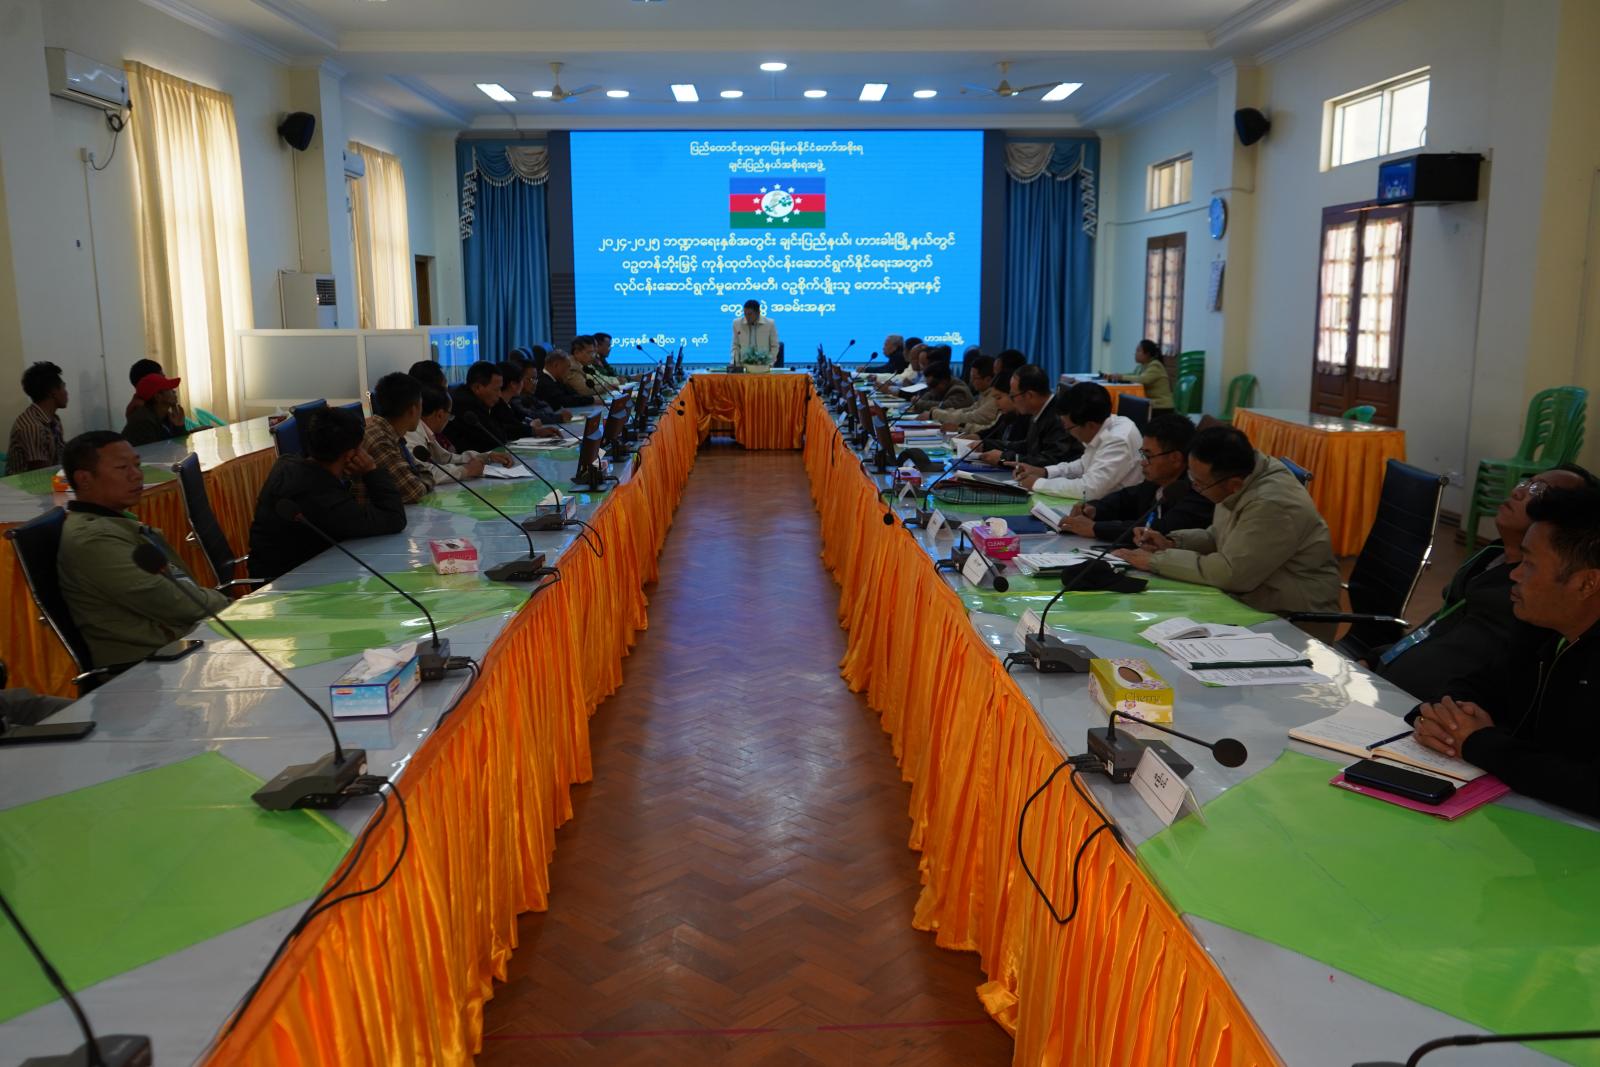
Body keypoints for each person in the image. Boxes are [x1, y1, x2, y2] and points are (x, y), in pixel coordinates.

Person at [1411, 488, 1600, 817]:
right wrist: (1446, 720)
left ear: (1586, 584)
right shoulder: (1541, 629)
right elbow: (1473, 686)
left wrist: (1479, 743)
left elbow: (1589, 787)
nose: (1513, 574)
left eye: (1529, 564)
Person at [1373, 465, 1598, 702]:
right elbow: (1440, 623)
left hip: (1417, 702)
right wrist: (1380, 656)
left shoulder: (1535, 604)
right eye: (1525, 482)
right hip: (1395, 687)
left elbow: (1492, 684)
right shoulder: (1490, 555)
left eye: (1538, 490)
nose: (1517, 492)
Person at [1115, 425, 1342, 618]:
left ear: (1234, 485)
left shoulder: (1273, 505)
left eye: (1200, 483)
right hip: (1252, 597)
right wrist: (1172, 543)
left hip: (1290, 615)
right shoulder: (1242, 473)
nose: (1194, 487)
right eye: (1191, 477)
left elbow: (1231, 573)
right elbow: (1218, 536)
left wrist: (1156, 561)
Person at [57, 431, 227, 668]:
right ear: (84, 479)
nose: (136, 475)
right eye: (122, 468)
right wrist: (229, 605)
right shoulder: (93, 540)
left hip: (180, 646)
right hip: (151, 665)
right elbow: (170, 601)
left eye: (137, 465)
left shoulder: (113, 522)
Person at [248, 407, 407, 583]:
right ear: (350, 455)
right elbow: (394, 518)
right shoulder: (322, 497)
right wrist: (371, 471)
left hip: (289, 573)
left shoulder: (287, 464)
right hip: (292, 586)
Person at [1058, 413, 1211, 542]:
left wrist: (1095, 528)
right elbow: (1127, 498)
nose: (1143, 462)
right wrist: (1095, 509)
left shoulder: (1198, 491)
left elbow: (1161, 528)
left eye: (1148, 455)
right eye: (1142, 454)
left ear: (1175, 459)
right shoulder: (1157, 481)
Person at [1012, 381, 1143, 500]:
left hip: (1119, 512)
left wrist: (1037, 483)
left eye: (1069, 428)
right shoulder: (1103, 424)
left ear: (1090, 425)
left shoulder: (1118, 440)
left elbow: (1088, 489)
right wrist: (1045, 472)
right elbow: (1085, 464)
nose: (1067, 432)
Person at [975, 366, 1077, 468]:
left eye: (1013, 396)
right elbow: (1028, 446)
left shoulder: (1059, 416)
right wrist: (987, 445)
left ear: (1029, 395)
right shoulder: (1039, 410)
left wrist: (1003, 458)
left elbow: (1052, 461)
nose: (1012, 401)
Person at [407, 386, 514, 480]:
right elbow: (425, 473)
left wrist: (486, 457)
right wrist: (465, 471)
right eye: (450, 415)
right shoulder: (412, 435)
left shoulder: (425, 431)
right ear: (440, 414)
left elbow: (447, 459)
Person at [363, 372, 435, 504]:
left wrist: (422, 479)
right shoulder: (380, 440)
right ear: (413, 410)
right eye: (421, 406)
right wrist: (426, 482)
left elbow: (420, 470)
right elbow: (413, 492)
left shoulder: (389, 432)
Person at [6, 361, 68, 474]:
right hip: (28, 484)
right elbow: (40, 474)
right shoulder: (32, 427)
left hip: (49, 478)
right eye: (63, 387)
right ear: (53, 392)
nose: (66, 393)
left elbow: (61, 455)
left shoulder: (53, 420)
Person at [445, 361, 508, 453]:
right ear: (477, 388)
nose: (499, 394)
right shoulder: (467, 404)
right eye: (496, 389)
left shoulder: (469, 396)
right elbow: (498, 439)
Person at [1106, 340, 1175, 416]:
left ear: (1147, 354)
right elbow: (1133, 375)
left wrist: (1121, 377)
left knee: (1127, 409)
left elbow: (1143, 379)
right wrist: (1117, 376)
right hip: (1150, 404)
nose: (1135, 353)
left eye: (1138, 351)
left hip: (1161, 406)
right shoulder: (1141, 366)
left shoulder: (1155, 365)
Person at [932, 354, 998, 432]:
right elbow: (968, 410)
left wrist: (936, 414)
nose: (971, 381)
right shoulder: (984, 393)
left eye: (974, 378)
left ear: (988, 380)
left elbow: (971, 417)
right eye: (971, 377)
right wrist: (941, 412)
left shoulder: (994, 398)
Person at [122, 372, 189, 446]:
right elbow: (155, 452)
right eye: (169, 389)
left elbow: (180, 447)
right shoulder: (143, 422)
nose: (174, 391)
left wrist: (179, 426)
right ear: (158, 396)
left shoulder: (166, 416)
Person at [731, 299, 779, 364]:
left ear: (758, 313)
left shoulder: (770, 324)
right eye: (745, 314)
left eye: (750, 314)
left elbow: (774, 346)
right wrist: (735, 363)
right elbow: (735, 345)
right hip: (743, 364)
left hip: (763, 364)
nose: (747, 317)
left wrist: (769, 363)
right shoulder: (737, 323)